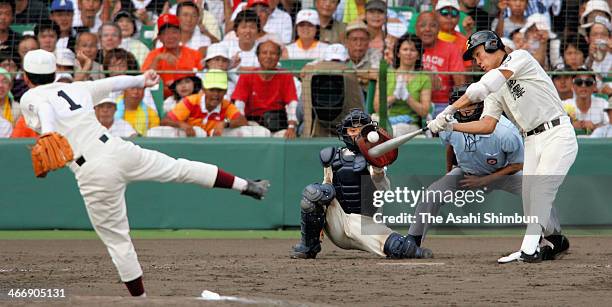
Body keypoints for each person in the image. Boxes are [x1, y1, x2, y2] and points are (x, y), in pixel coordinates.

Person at [19, 49, 269, 296]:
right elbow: (113, 82)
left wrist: (49, 131)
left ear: (26, 76)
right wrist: (141, 79)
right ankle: (245, 185)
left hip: (93, 171)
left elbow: (44, 107)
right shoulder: (75, 87)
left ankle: (141, 300)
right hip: (119, 149)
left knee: (118, 240)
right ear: (53, 73)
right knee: (180, 167)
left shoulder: (30, 96)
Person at [428, 30, 577, 263]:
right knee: (529, 198)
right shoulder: (495, 89)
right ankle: (553, 242)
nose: (478, 62)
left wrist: (448, 110)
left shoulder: (520, 58)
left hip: (557, 132)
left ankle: (528, 250)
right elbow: (487, 125)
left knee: (541, 189)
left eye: (479, 55)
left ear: (492, 46)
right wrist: (451, 127)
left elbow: (480, 88)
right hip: (531, 139)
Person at [408, 85, 566, 258]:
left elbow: (518, 165)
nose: (464, 110)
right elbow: (450, 147)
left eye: (470, 105)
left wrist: (485, 181)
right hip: (467, 173)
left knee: (537, 190)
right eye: (460, 105)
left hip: (504, 173)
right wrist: (449, 172)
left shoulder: (505, 131)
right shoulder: (448, 125)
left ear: (482, 105)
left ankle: (555, 239)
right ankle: (412, 241)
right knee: (433, 194)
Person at [291, 109, 433, 260]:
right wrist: (317, 224)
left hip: (364, 223)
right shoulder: (332, 157)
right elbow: (327, 187)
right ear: (344, 132)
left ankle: (410, 248)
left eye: (360, 130)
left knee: (400, 249)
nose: (355, 134)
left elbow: (382, 189)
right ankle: (308, 246)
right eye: (352, 130)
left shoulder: (375, 157)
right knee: (314, 192)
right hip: (337, 221)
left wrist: (378, 168)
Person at [155, 69, 267, 137]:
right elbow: (165, 121)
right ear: (204, 89)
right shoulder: (191, 101)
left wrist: (225, 123)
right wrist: (182, 124)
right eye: (212, 90)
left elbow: (242, 121)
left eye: (220, 90)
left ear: (225, 92)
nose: (216, 94)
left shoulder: (226, 105)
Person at [231, 37, 298, 138]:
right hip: (252, 123)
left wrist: (291, 126)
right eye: (264, 53)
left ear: (279, 56)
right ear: (258, 56)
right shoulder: (246, 76)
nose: (268, 56)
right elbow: (239, 103)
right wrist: (242, 122)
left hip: (277, 123)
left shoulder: (286, 75)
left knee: (287, 137)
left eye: (273, 53)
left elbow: (292, 103)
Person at [375, 34, 432, 136]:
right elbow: (377, 107)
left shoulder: (424, 79)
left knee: (396, 131)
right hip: (384, 120)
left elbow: (424, 111)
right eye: (405, 49)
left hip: (409, 124)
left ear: (419, 55)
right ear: (398, 53)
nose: (408, 53)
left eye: (413, 50)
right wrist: (395, 97)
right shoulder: (386, 75)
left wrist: (407, 98)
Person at [142, 13, 203, 98]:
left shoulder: (194, 54)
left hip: (190, 99)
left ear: (180, 34)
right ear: (159, 38)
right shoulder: (154, 55)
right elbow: (144, 81)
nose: (170, 37)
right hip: (161, 100)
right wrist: (157, 59)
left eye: (174, 32)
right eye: (165, 33)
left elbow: (202, 80)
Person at [415, 12, 465, 115]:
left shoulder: (451, 48)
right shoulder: (408, 47)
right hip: (413, 102)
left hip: (442, 104)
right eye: (423, 25)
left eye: (433, 25)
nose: (427, 29)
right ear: (416, 29)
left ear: (439, 29)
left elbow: (460, 83)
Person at [563, 67, 609, 135]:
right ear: (573, 85)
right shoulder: (564, 105)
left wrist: (595, 127)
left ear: (594, 86)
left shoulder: (603, 104)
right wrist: (570, 126)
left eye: (588, 82)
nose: (583, 86)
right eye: (579, 82)